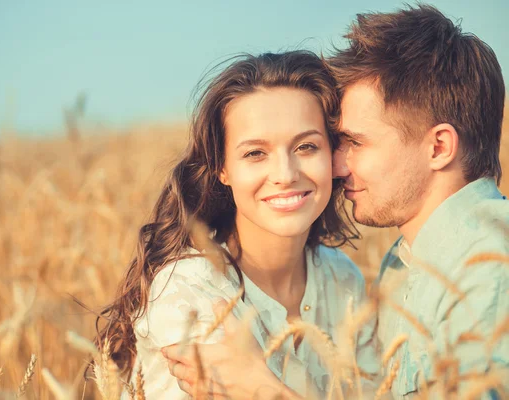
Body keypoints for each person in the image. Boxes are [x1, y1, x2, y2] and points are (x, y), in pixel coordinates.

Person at [163, 4, 508, 399]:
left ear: (439, 146)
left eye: (356, 142)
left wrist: (260, 389)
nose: (337, 165)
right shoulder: (401, 263)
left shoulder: (494, 266)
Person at [95, 50, 378, 399]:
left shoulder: (342, 280)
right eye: (255, 153)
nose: (286, 175)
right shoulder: (189, 290)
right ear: (222, 168)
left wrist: (261, 386)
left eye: (306, 146)